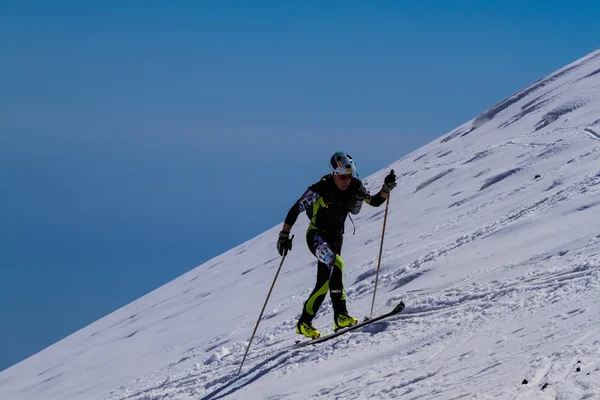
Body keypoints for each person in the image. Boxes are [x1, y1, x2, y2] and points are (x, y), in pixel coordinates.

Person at [276, 151, 397, 339]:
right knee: (336, 264)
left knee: (325, 281)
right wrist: (284, 235)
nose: (346, 181)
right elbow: (296, 208)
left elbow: (374, 201)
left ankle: (304, 323)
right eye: (342, 177)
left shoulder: (356, 186)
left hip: (336, 238)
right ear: (333, 173)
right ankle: (340, 315)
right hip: (316, 236)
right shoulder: (320, 188)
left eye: (349, 176)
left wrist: (386, 188)